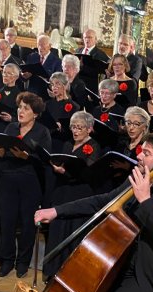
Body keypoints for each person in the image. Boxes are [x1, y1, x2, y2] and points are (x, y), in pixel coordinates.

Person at [35, 131, 153, 292]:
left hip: (151, 278)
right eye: (140, 150)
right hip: (118, 265)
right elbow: (104, 201)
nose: (139, 156)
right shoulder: (138, 178)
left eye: (146, 153)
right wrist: (57, 211)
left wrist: (145, 200)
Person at [0, 92, 51, 278]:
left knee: (28, 223)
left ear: (35, 113)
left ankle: (23, 263)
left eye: (26, 108)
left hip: (30, 180)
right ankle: (7, 260)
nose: (21, 111)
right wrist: (0, 151)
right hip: (8, 179)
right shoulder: (11, 127)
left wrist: (27, 157)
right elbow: (2, 152)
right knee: (7, 222)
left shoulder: (42, 131)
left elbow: (45, 160)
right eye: (20, 107)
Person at [42, 111, 101, 280]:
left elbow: (88, 172)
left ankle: (69, 274)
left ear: (89, 129)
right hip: (62, 190)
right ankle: (52, 270)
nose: (75, 131)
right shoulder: (68, 144)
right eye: (73, 127)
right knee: (57, 231)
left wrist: (66, 171)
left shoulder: (94, 146)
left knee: (73, 232)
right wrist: (58, 168)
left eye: (80, 127)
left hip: (79, 193)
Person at [44, 72, 80, 152]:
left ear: (66, 85)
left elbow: (74, 130)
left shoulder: (75, 106)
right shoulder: (47, 104)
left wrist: (62, 126)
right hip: (46, 139)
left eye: (57, 84)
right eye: (52, 84)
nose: (54, 87)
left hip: (63, 142)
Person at [23, 35, 62, 100]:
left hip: (46, 96)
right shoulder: (32, 57)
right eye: (39, 44)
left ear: (50, 46)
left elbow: (58, 82)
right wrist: (24, 76)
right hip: (31, 93)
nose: (40, 47)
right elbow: (23, 78)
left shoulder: (57, 62)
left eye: (43, 45)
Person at [0, 63, 21, 132]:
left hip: (9, 128)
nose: (5, 75)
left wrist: (11, 119)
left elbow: (23, 116)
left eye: (9, 73)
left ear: (16, 77)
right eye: (4, 72)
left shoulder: (20, 95)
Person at [76, 29, 109, 93]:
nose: (87, 39)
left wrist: (83, 67)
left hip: (91, 87)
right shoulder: (78, 50)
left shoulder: (101, 54)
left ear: (95, 39)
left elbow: (100, 72)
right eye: (85, 37)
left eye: (90, 37)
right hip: (77, 84)